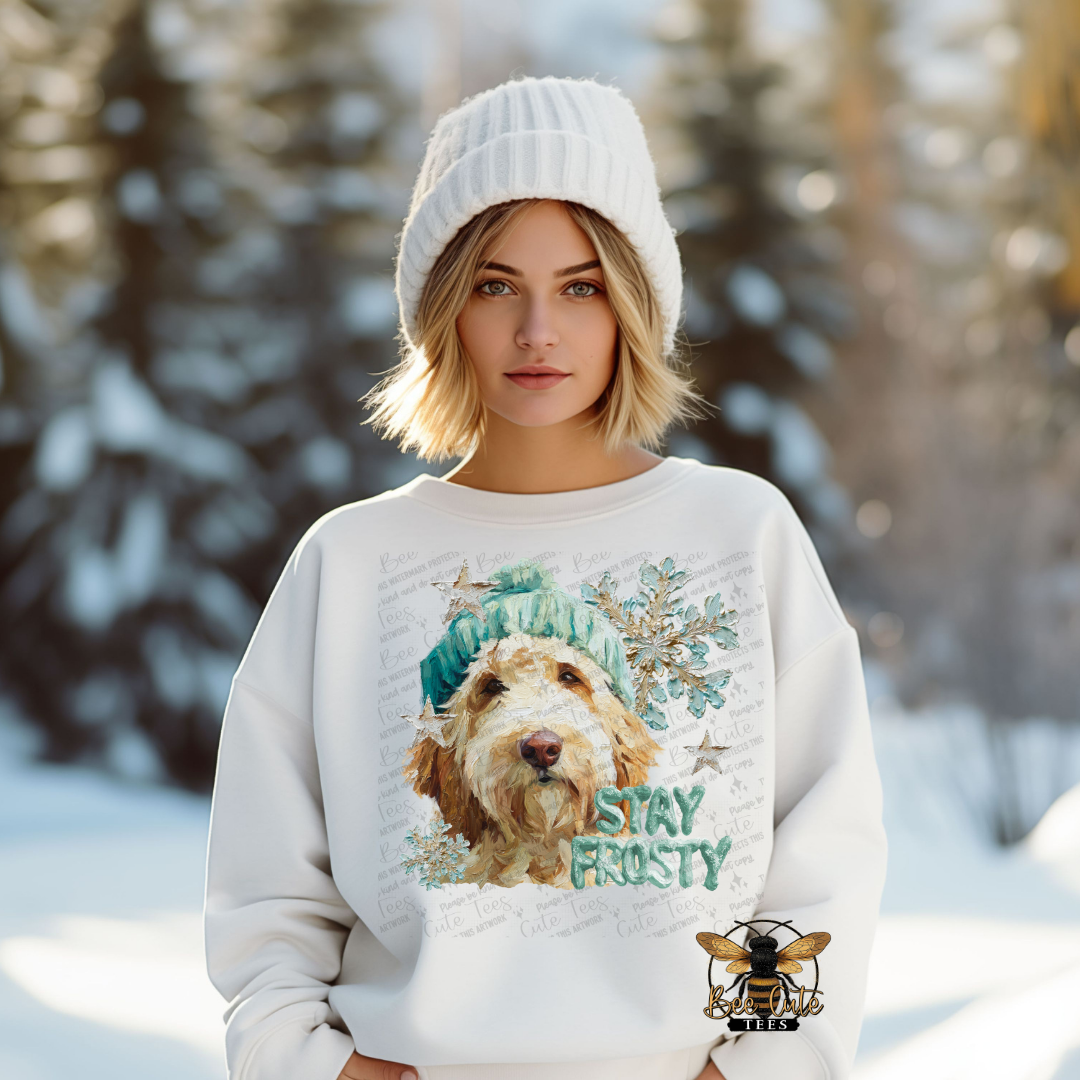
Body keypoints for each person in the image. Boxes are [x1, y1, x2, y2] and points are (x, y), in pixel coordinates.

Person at [203, 75, 888, 1080]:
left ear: (632, 306)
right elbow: (264, 894)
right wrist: (308, 1065)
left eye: (581, 286)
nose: (537, 331)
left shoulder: (742, 534)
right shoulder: (348, 563)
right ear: (443, 307)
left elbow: (825, 855)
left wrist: (760, 1069)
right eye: (494, 285)